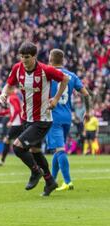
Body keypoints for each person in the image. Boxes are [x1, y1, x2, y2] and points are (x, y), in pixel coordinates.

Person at [0, 42, 69, 197]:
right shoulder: (17, 68)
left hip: (43, 119)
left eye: (27, 57)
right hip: (27, 118)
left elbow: (65, 79)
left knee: (17, 147)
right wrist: (4, 94)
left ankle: (35, 171)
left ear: (34, 56)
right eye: (22, 57)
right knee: (36, 152)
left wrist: (56, 99)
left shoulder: (45, 70)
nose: (24, 60)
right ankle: (50, 181)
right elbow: (9, 85)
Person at [46, 49, 90, 191]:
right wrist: (87, 111)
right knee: (58, 150)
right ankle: (51, 181)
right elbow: (86, 94)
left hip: (53, 116)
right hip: (67, 117)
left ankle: (68, 181)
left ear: (51, 60)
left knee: (60, 149)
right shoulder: (71, 75)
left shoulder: (47, 74)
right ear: (63, 60)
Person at [0, 90, 23, 166]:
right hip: (19, 123)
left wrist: (11, 121)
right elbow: (11, 111)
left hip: (17, 124)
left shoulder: (11, 98)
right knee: (21, 143)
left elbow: (17, 110)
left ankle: (2, 161)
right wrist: (0, 113)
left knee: (7, 140)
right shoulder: (14, 97)